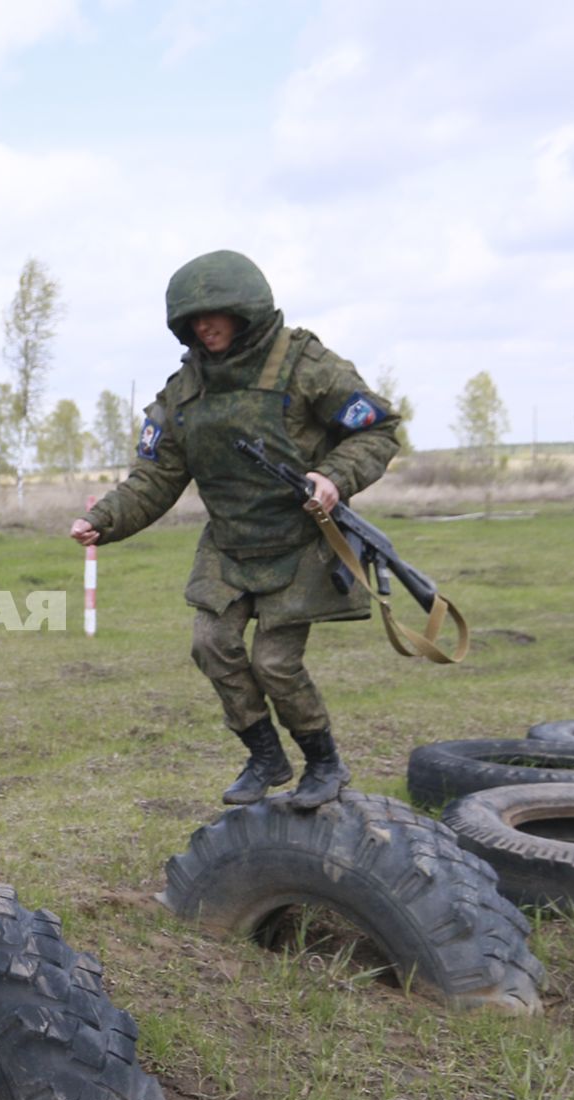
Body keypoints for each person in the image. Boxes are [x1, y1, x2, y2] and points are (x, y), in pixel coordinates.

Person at [69, 249, 399, 810]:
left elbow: (378, 429)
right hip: (229, 543)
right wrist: (102, 520)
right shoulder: (183, 393)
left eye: (215, 313)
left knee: (274, 663)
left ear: (247, 311)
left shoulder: (303, 364)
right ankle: (265, 754)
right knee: (211, 644)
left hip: (300, 540)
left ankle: (323, 762)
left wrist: (335, 477)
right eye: (194, 319)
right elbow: (155, 477)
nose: (204, 326)